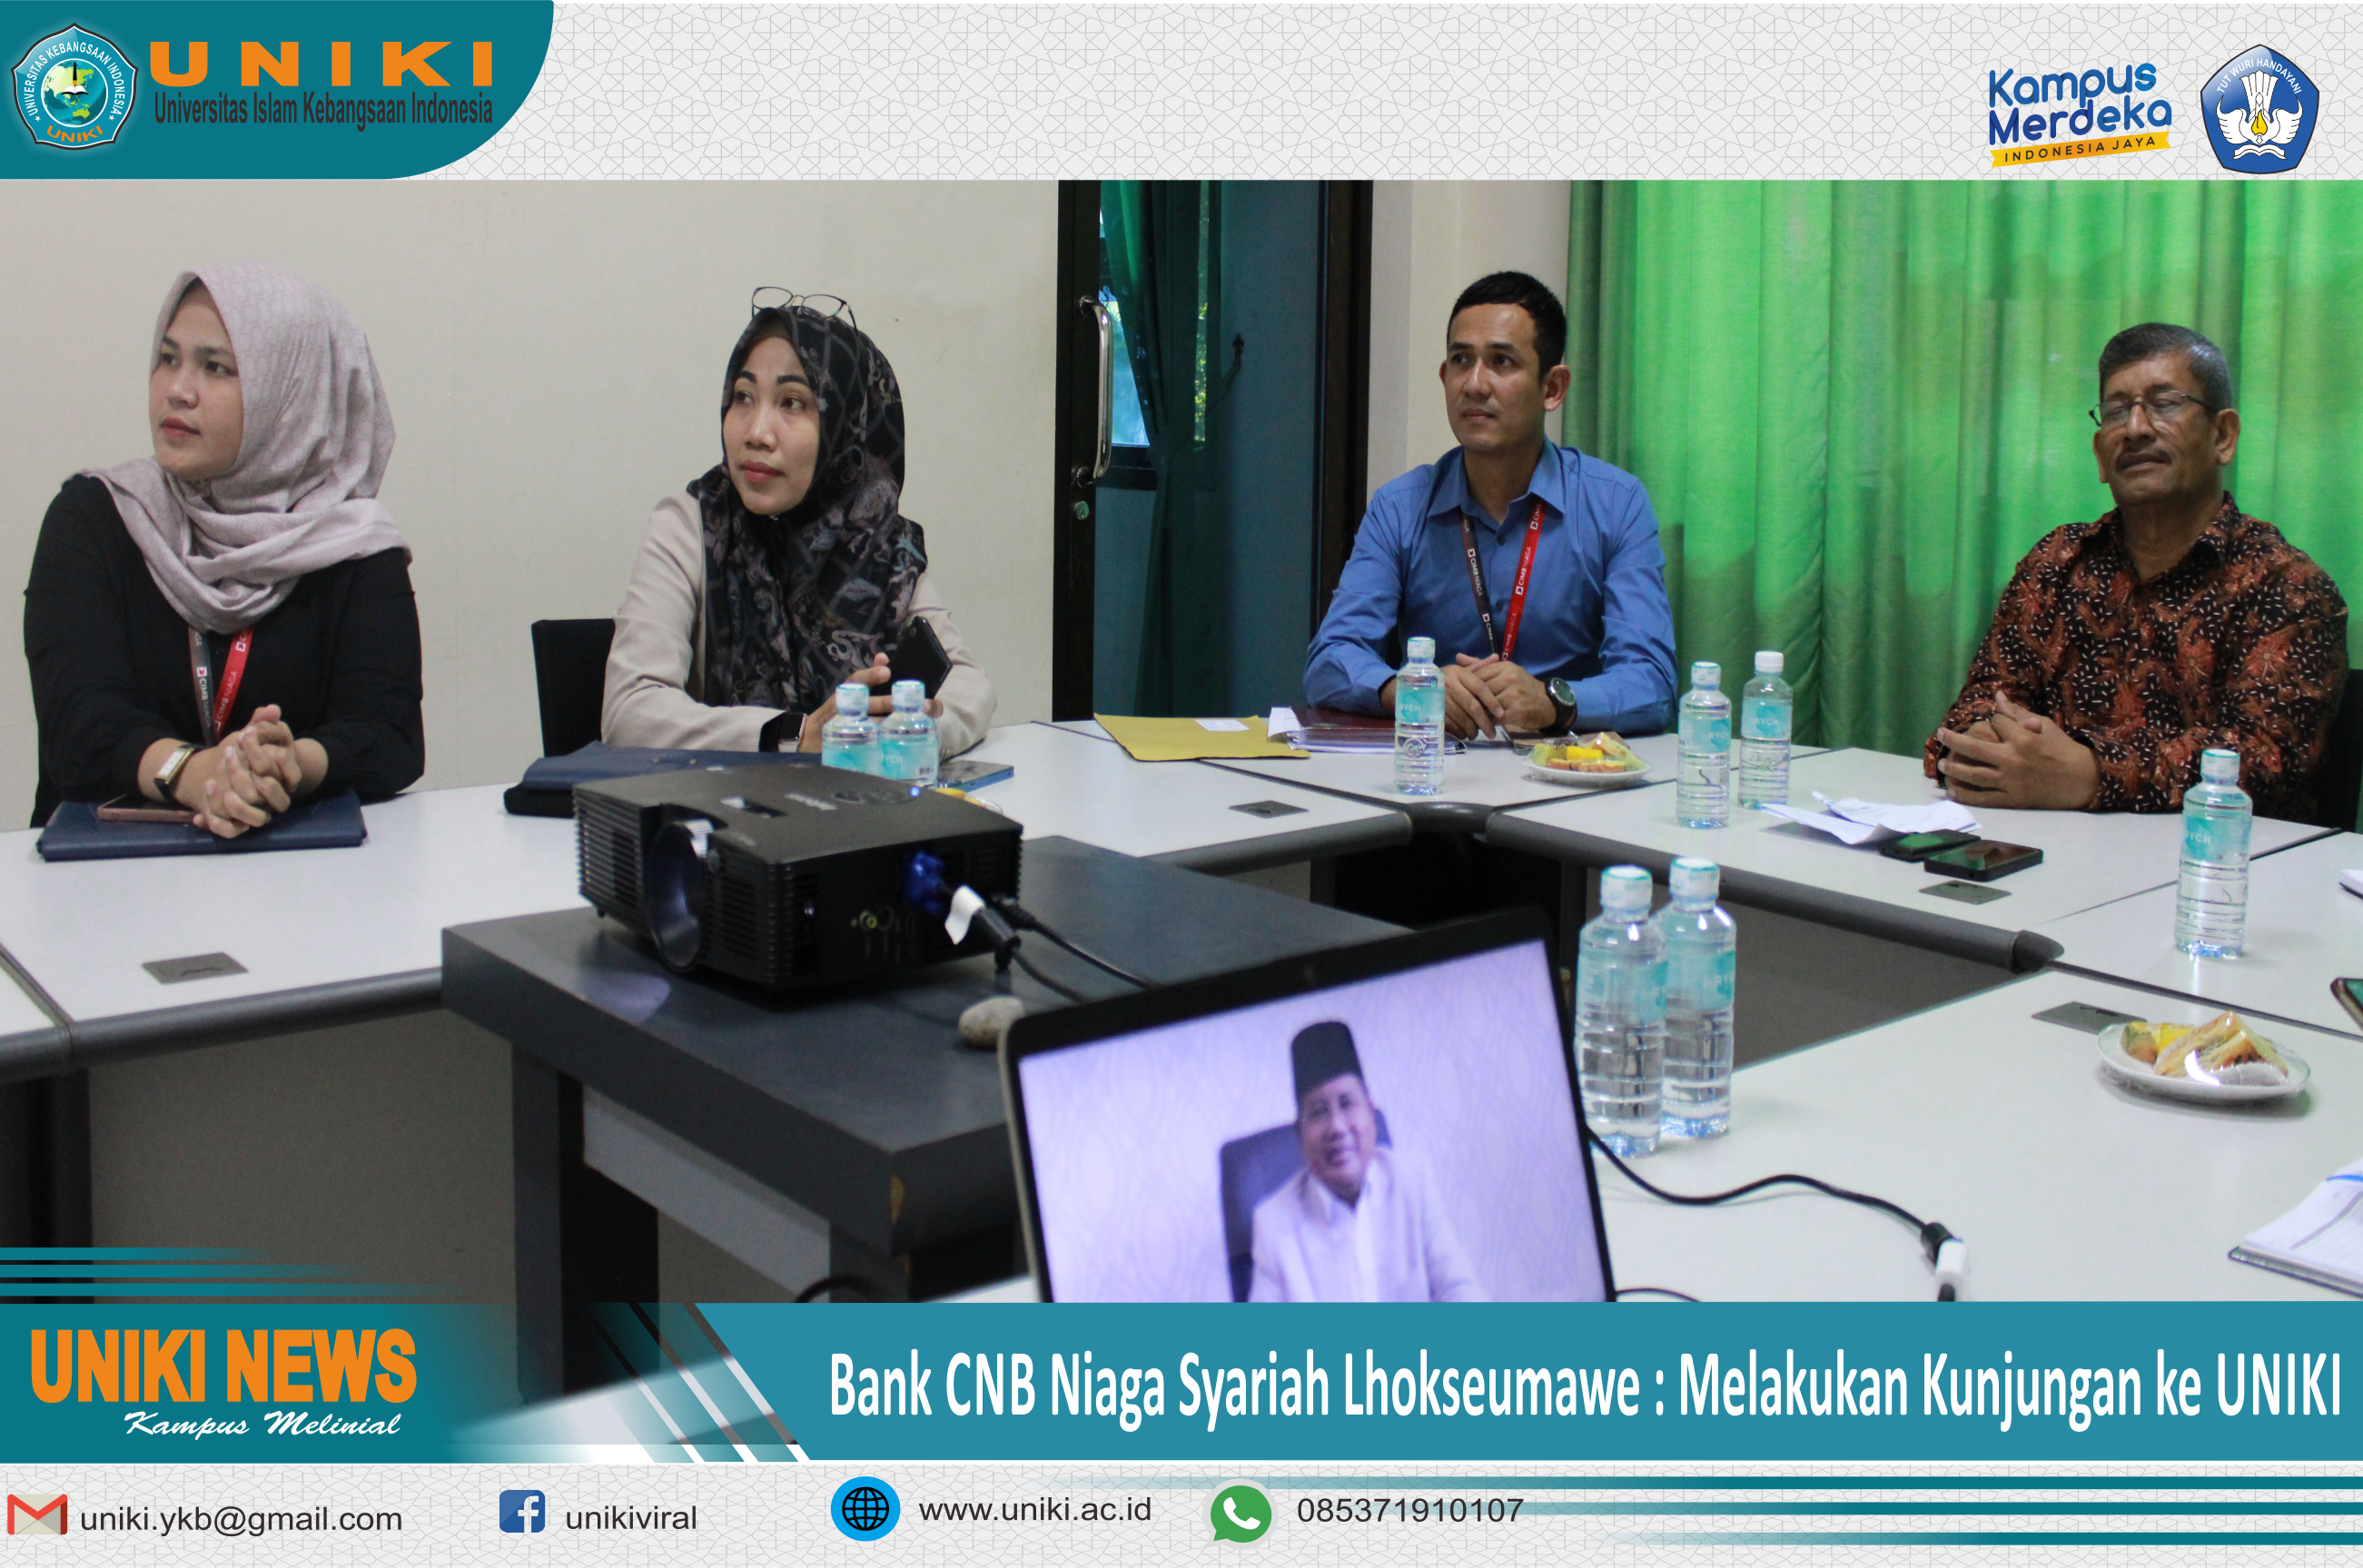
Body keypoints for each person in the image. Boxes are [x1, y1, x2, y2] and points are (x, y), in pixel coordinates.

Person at [24, 261, 423, 833]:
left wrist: (288, 765)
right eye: (168, 359)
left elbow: (389, 734)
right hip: (104, 871)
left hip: (300, 874)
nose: (177, 390)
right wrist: (196, 773)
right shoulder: (97, 516)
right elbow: (78, 726)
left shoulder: (353, 545)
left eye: (216, 367)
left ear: (290, 396)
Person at [1927, 323, 2348, 817]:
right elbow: (1979, 703)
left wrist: (2092, 775)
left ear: (2223, 436)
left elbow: (2267, 758)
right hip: (2045, 845)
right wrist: (1985, 743)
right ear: (2100, 455)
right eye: (2116, 410)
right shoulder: (2057, 563)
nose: (2135, 428)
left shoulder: (2287, 586)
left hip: (2215, 858)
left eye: (2165, 404)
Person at [603, 291, 994, 755]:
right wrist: (796, 735)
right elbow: (630, 711)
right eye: (743, 397)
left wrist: (909, 727)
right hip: (723, 798)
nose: (756, 433)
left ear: (843, 428)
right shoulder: (692, 525)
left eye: (792, 403)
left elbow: (969, 686)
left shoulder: (880, 543)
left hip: (856, 797)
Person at [1304, 271, 1676, 738]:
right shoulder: (1399, 508)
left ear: (1552, 388)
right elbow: (1330, 660)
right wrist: (1408, 689)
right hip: (1435, 766)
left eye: (1501, 361)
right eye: (1461, 361)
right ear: (1445, 378)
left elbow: (1652, 681)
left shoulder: (1615, 503)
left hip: (1564, 768)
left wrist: (1552, 702)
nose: (1475, 384)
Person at [1248, 1021, 1484, 1303]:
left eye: (1347, 1104)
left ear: (1370, 1113)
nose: (1337, 1127)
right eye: (1319, 1112)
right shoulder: (1273, 1224)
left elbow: (1459, 1288)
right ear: (1300, 1135)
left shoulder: (1412, 1182)